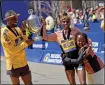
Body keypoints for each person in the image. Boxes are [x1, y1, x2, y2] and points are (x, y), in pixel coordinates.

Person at [42, 15, 92, 84]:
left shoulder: (75, 30)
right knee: (72, 83)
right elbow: (45, 37)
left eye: (67, 22)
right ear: (60, 23)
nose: (66, 23)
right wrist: (44, 26)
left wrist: (89, 47)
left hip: (78, 59)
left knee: (83, 83)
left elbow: (87, 40)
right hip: (68, 61)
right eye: (64, 22)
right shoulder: (57, 34)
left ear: (70, 22)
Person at [1, 10, 35, 85]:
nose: (16, 20)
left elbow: (24, 40)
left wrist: (23, 31)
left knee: (29, 83)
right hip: (13, 65)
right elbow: (12, 50)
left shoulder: (17, 29)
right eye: (13, 18)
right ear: (8, 20)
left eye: (16, 17)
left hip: (23, 62)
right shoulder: (4, 33)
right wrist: (26, 43)